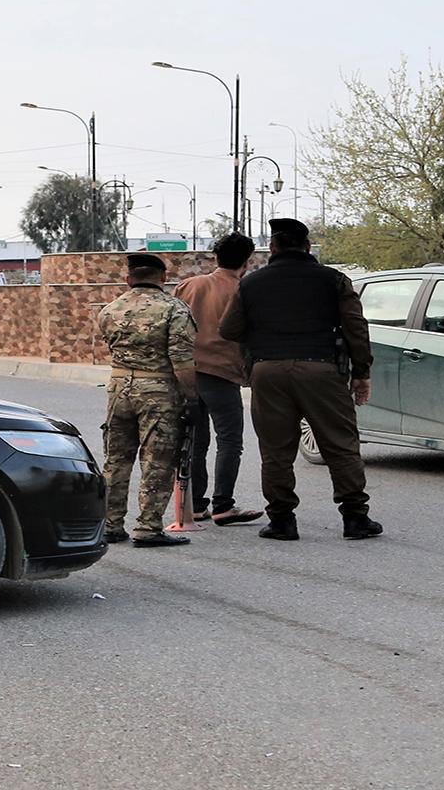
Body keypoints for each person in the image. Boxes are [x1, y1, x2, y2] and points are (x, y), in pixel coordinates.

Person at [219, 218, 382, 541]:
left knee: (276, 449)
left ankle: (281, 520)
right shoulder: (334, 280)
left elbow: (229, 329)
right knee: (340, 444)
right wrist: (361, 373)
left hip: (268, 371)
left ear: (274, 249)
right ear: (308, 247)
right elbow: (355, 328)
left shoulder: (251, 283)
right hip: (321, 370)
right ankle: (354, 518)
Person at [97, 252, 198, 548]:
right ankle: (148, 527)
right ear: (163, 278)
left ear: (128, 279)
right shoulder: (174, 309)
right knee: (157, 459)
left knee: (116, 459)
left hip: (118, 388)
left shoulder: (109, 310)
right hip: (158, 390)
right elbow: (182, 362)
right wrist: (192, 398)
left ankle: (111, 525)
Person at [173, 234, 265, 526]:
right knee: (229, 440)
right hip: (222, 374)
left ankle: (197, 505)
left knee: (196, 441)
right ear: (247, 261)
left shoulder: (189, 285)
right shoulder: (244, 290)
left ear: (215, 257)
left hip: (187, 373)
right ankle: (224, 504)